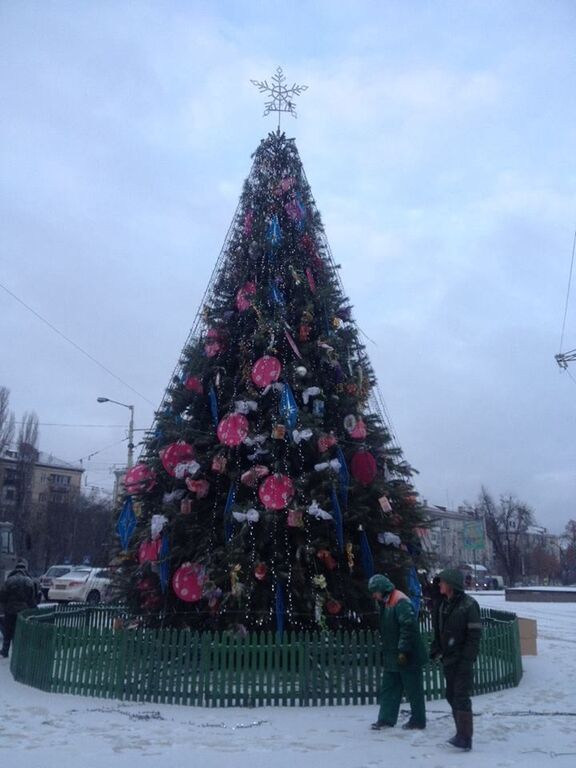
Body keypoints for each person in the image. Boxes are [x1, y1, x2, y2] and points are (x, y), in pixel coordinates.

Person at [430, 568, 482, 751]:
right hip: (449, 659)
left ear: (451, 584)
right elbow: (439, 632)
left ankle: (465, 737)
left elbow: (474, 635)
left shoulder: (468, 605)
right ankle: (460, 732)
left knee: (461, 696)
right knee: (451, 695)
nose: (439, 585)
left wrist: (467, 659)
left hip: (462, 660)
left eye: (442, 581)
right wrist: (436, 649)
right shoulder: (442, 605)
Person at [368, 573, 427, 731]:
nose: (374, 596)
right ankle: (386, 719)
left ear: (381, 589)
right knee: (389, 687)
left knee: (413, 689)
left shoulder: (400, 602)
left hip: (408, 654)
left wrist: (403, 650)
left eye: (375, 592)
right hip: (394, 655)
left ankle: (418, 720)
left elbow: (408, 627)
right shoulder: (387, 602)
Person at [0, 558, 37, 658]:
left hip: (10, 610)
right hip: (23, 611)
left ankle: (5, 651)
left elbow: (2, 596)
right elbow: (32, 598)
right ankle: (18, 652)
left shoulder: (9, 581)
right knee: (21, 632)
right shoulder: (28, 581)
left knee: (8, 632)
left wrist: (5, 607)